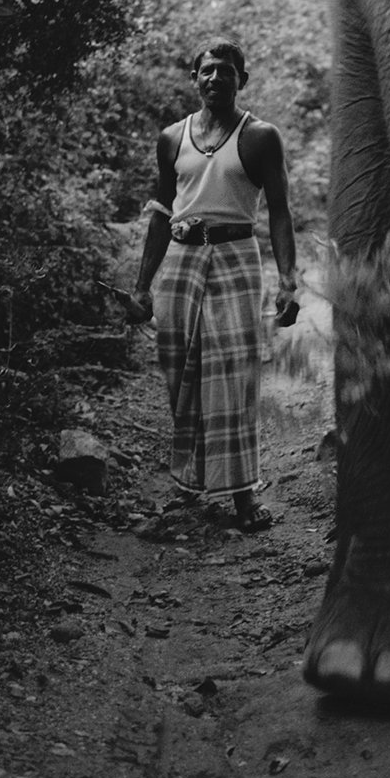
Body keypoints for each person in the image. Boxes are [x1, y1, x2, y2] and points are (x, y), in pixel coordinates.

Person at [125, 40, 299, 533]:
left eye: (226, 71)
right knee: (182, 374)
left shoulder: (261, 136)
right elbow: (161, 212)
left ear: (241, 79)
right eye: (207, 71)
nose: (215, 79)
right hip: (181, 259)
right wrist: (142, 287)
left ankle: (243, 498)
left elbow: (280, 210)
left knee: (232, 376)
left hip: (235, 258)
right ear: (194, 78)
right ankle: (190, 485)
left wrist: (288, 281)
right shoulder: (171, 138)